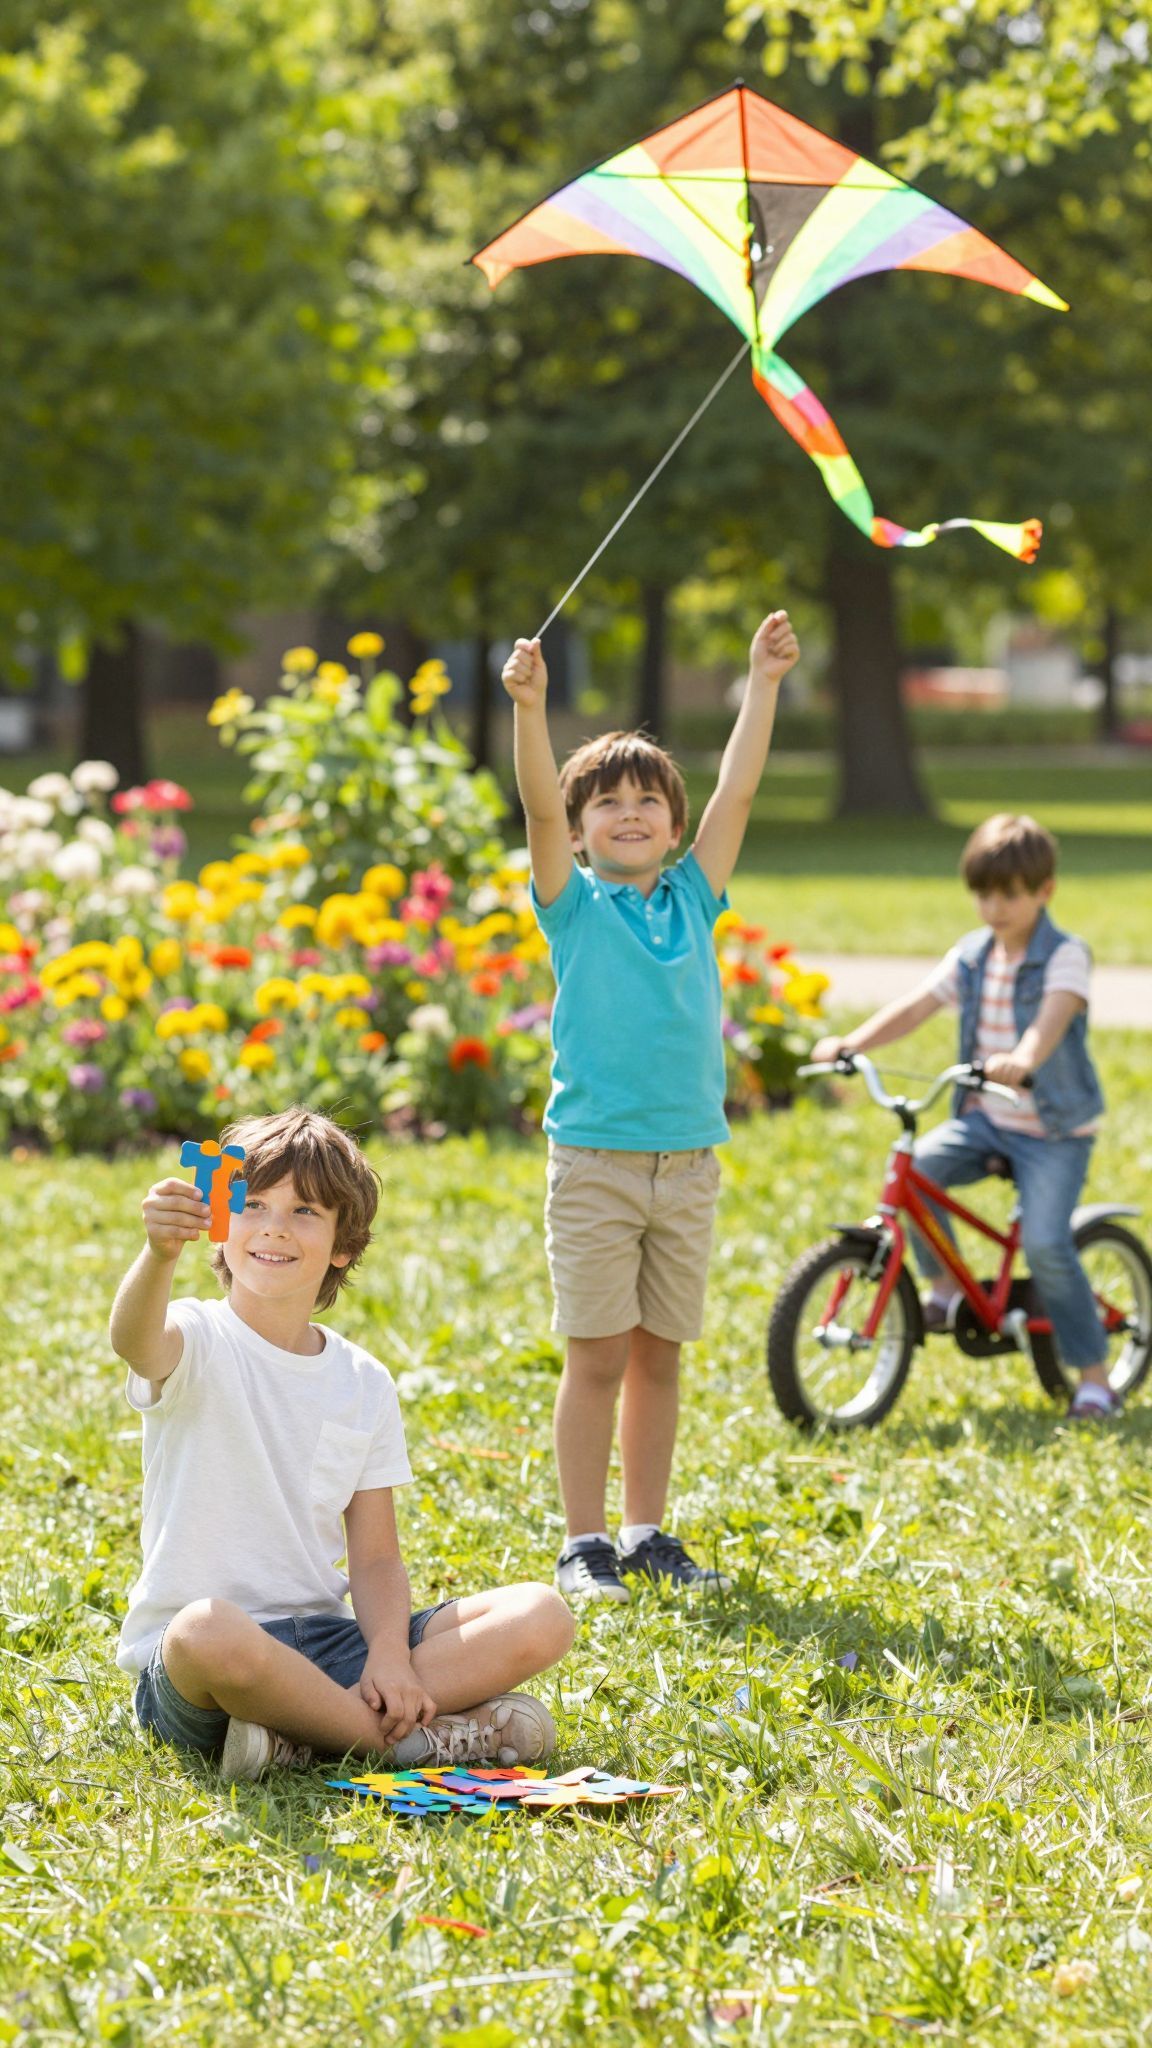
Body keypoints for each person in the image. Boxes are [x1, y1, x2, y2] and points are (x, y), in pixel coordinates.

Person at [111, 1107, 575, 1781]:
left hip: (331, 1648)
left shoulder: (362, 1380)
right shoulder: (195, 1336)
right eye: (255, 1205)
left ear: (343, 1247)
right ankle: (399, 1741)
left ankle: (298, 1735)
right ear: (221, 1221)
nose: (273, 1226)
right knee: (205, 1629)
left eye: (305, 1212)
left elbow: (377, 1557)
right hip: (196, 1672)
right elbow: (134, 1342)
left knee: (541, 1614)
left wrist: (388, 1651)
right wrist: (158, 1254)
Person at [502, 611, 800, 1601]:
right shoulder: (572, 900)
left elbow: (741, 785)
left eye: (648, 802)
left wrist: (760, 681)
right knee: (595, 1356)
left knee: (658, 1356)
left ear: (673, 826)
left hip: (688, 1163)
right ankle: (583, 1544)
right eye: (608, 804)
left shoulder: (694, 896)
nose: (630, 814)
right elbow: (539, 811)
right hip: (595, 1160)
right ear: (584, 830)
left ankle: (646, 1532)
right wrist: (532, 709)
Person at [811, 812, 1113, 1417]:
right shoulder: (973, 955)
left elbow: (1053, 1018)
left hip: (1053, 1130)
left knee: (1049, 1244)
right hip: (987, 1120)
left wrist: (1022, 1058)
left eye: (1008, 895)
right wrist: (854, 1044)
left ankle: (1095, 1377)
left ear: (1043, 891)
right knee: (916, 1172)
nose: (994, 908)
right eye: (983, 894)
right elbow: (917, 1005)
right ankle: (947, 1290)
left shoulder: (1065, 955)